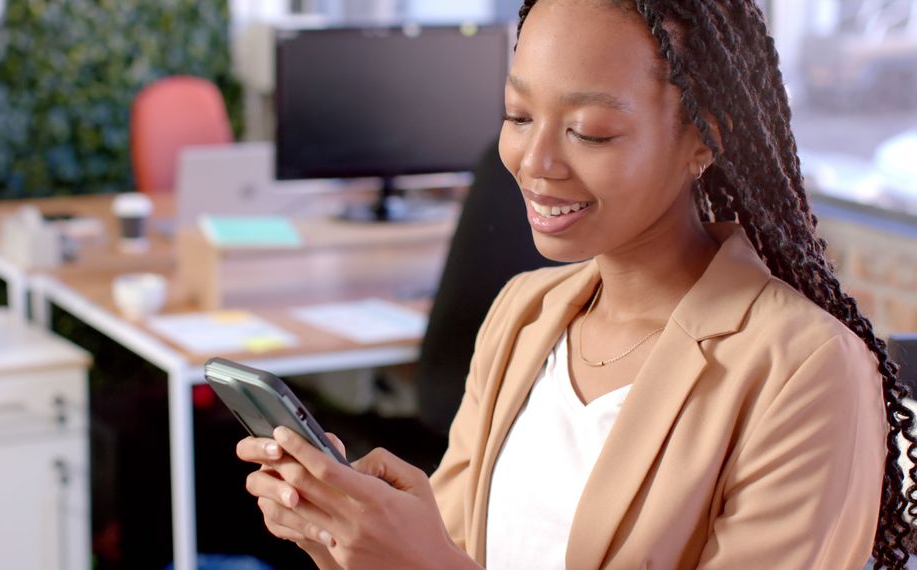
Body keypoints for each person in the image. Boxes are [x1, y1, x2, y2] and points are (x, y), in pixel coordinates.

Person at [236, 0, 917, 568]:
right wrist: (345, 537)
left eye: (589, 132)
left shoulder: (806, 372)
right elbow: (453, 550)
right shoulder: (524, 315)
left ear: (707, 137)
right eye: (518, 115)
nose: (534, 163)